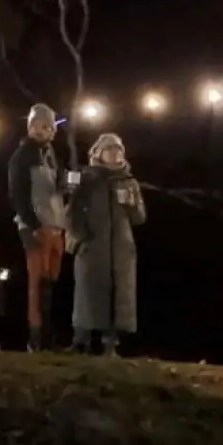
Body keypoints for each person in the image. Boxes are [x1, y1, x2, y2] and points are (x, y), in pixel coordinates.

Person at [67, 133, 146, 356]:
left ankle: (110, 345)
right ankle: (80, 340)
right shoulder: (87, 178)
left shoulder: (129, 182)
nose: (115, 153)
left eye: (119, 149)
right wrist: (79, 236)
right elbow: (72, 210)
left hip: (120, 249)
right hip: (93, 246)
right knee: (86, 293)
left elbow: (140, 218)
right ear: (99, 153)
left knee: (117, 297)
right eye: (110, 149)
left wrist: (130, 204)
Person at [8, 103, 68, 352]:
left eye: (45, 126)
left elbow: (60, 187)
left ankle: (49, 334)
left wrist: (69, 183)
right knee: (37, 281)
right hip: (36, 227)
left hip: (56, 225)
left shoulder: (53, 155)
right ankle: (36, 337)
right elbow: (18, 193)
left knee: (51, 281)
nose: (40, 130)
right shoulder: (22, 156)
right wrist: (32, 224)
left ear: (53, 130)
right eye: (35, 125)